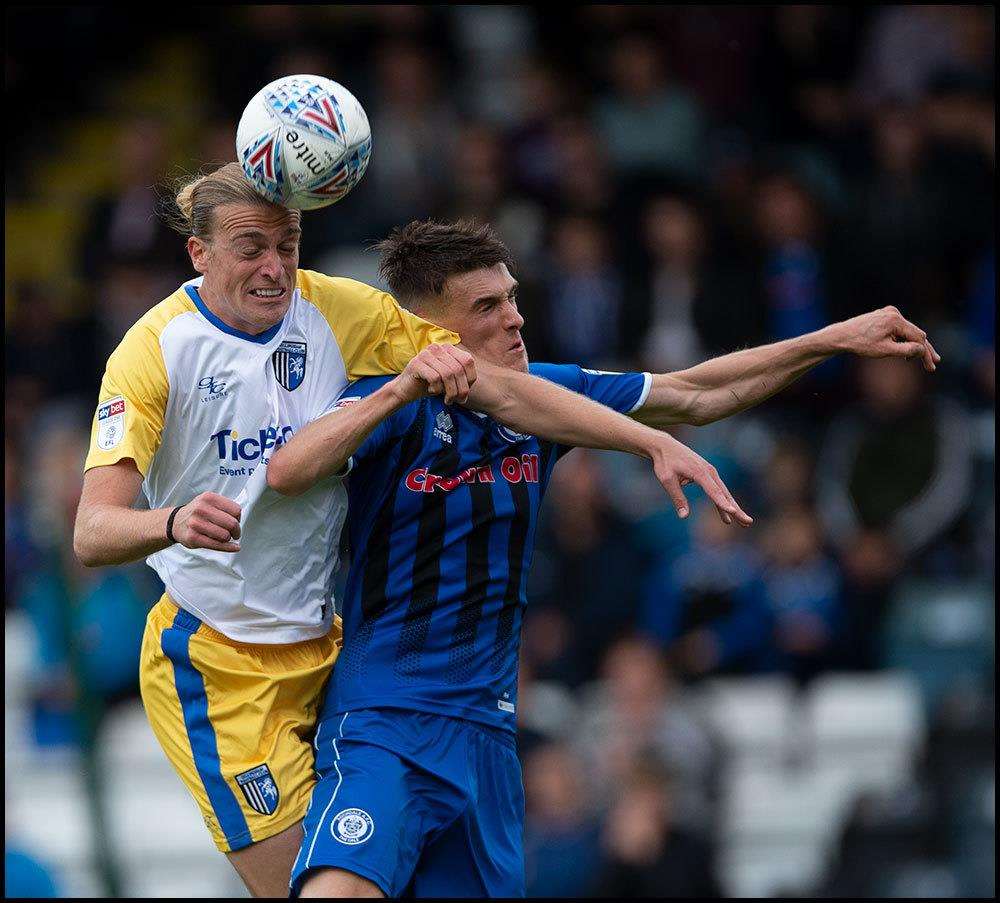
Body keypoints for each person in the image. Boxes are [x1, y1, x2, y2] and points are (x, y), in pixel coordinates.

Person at [72, 165, 748, 897]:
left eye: (289, 244)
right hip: (216, 665)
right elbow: (93, 531)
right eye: (250, 248)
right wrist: (172, 520)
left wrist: (644, 439)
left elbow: (502, 385)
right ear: (200, 254)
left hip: (324, 650)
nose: (275, 268)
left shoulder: (340, 309)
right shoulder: (153, 349)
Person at [265, 219, 939, 897]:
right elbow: (288, 469)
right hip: (388, 717)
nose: (516, 319)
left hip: (488, 739)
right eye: (488, 307)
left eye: (513, 297)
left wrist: (834, 339)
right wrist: (398, 387)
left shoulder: (541, 403)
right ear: (430, 328)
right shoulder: (388, 406)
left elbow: (696, 394)